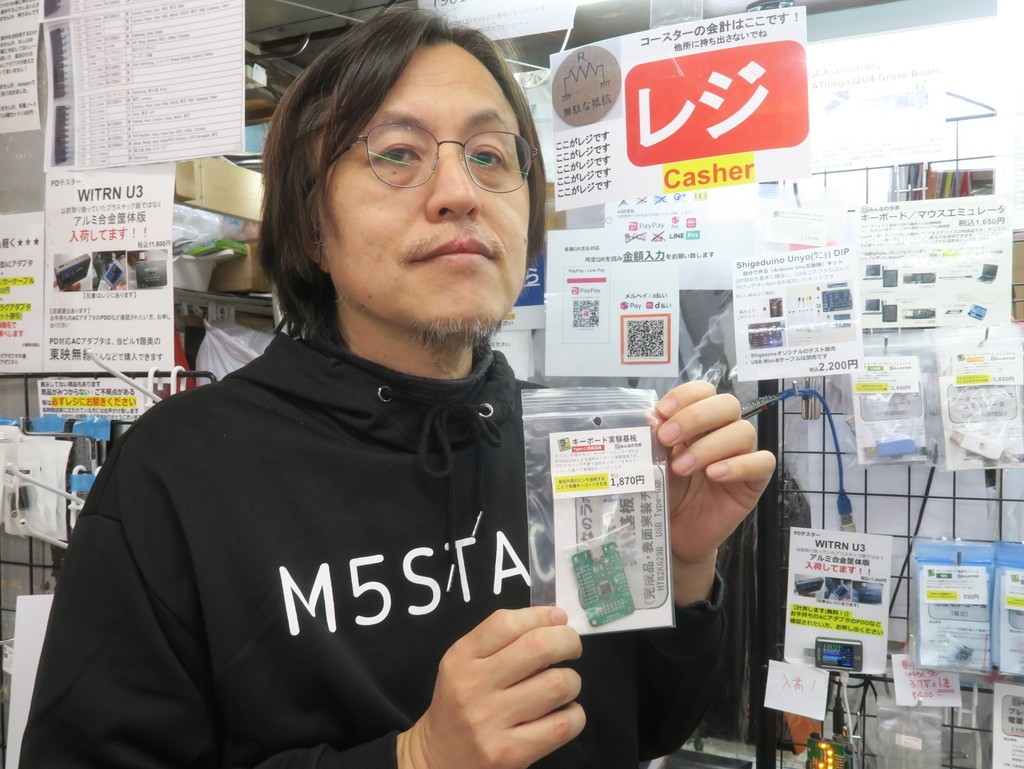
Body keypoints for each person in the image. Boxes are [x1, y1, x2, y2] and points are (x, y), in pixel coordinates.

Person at [20, 8, 775, 769]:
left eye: (489, 155)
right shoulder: (179, 474)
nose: (458, 192)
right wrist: (415, 758)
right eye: (397, 153)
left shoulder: (571, 444)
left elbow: (640, 722)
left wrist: (683, 566)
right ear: (312, 227)